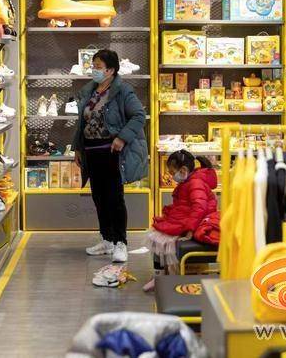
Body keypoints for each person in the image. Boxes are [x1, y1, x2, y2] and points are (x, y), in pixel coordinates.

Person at [72, 49, 148, 263]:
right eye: (93, 66)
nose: (94, 70)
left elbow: (139, 116)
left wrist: (122, 138)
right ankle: (107, 240)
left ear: (111, 70)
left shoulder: (123, 91)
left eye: (98, 67)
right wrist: (78, 148)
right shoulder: (90, 91)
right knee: (99, 197)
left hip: (113, 153)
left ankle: (121, 243)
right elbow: (82, 123)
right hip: (91, 152)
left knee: (114, 198)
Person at [143, 150, 219, 291]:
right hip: (186, 218)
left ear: (183, 170)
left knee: (160, 238)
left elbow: (199, 207)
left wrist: (190, 230)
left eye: (173, 173)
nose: (172, 176)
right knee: (156, 234)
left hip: (195, 222)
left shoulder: (195, 183)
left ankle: (162, 276)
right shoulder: (189, 182)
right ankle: (159, 274)